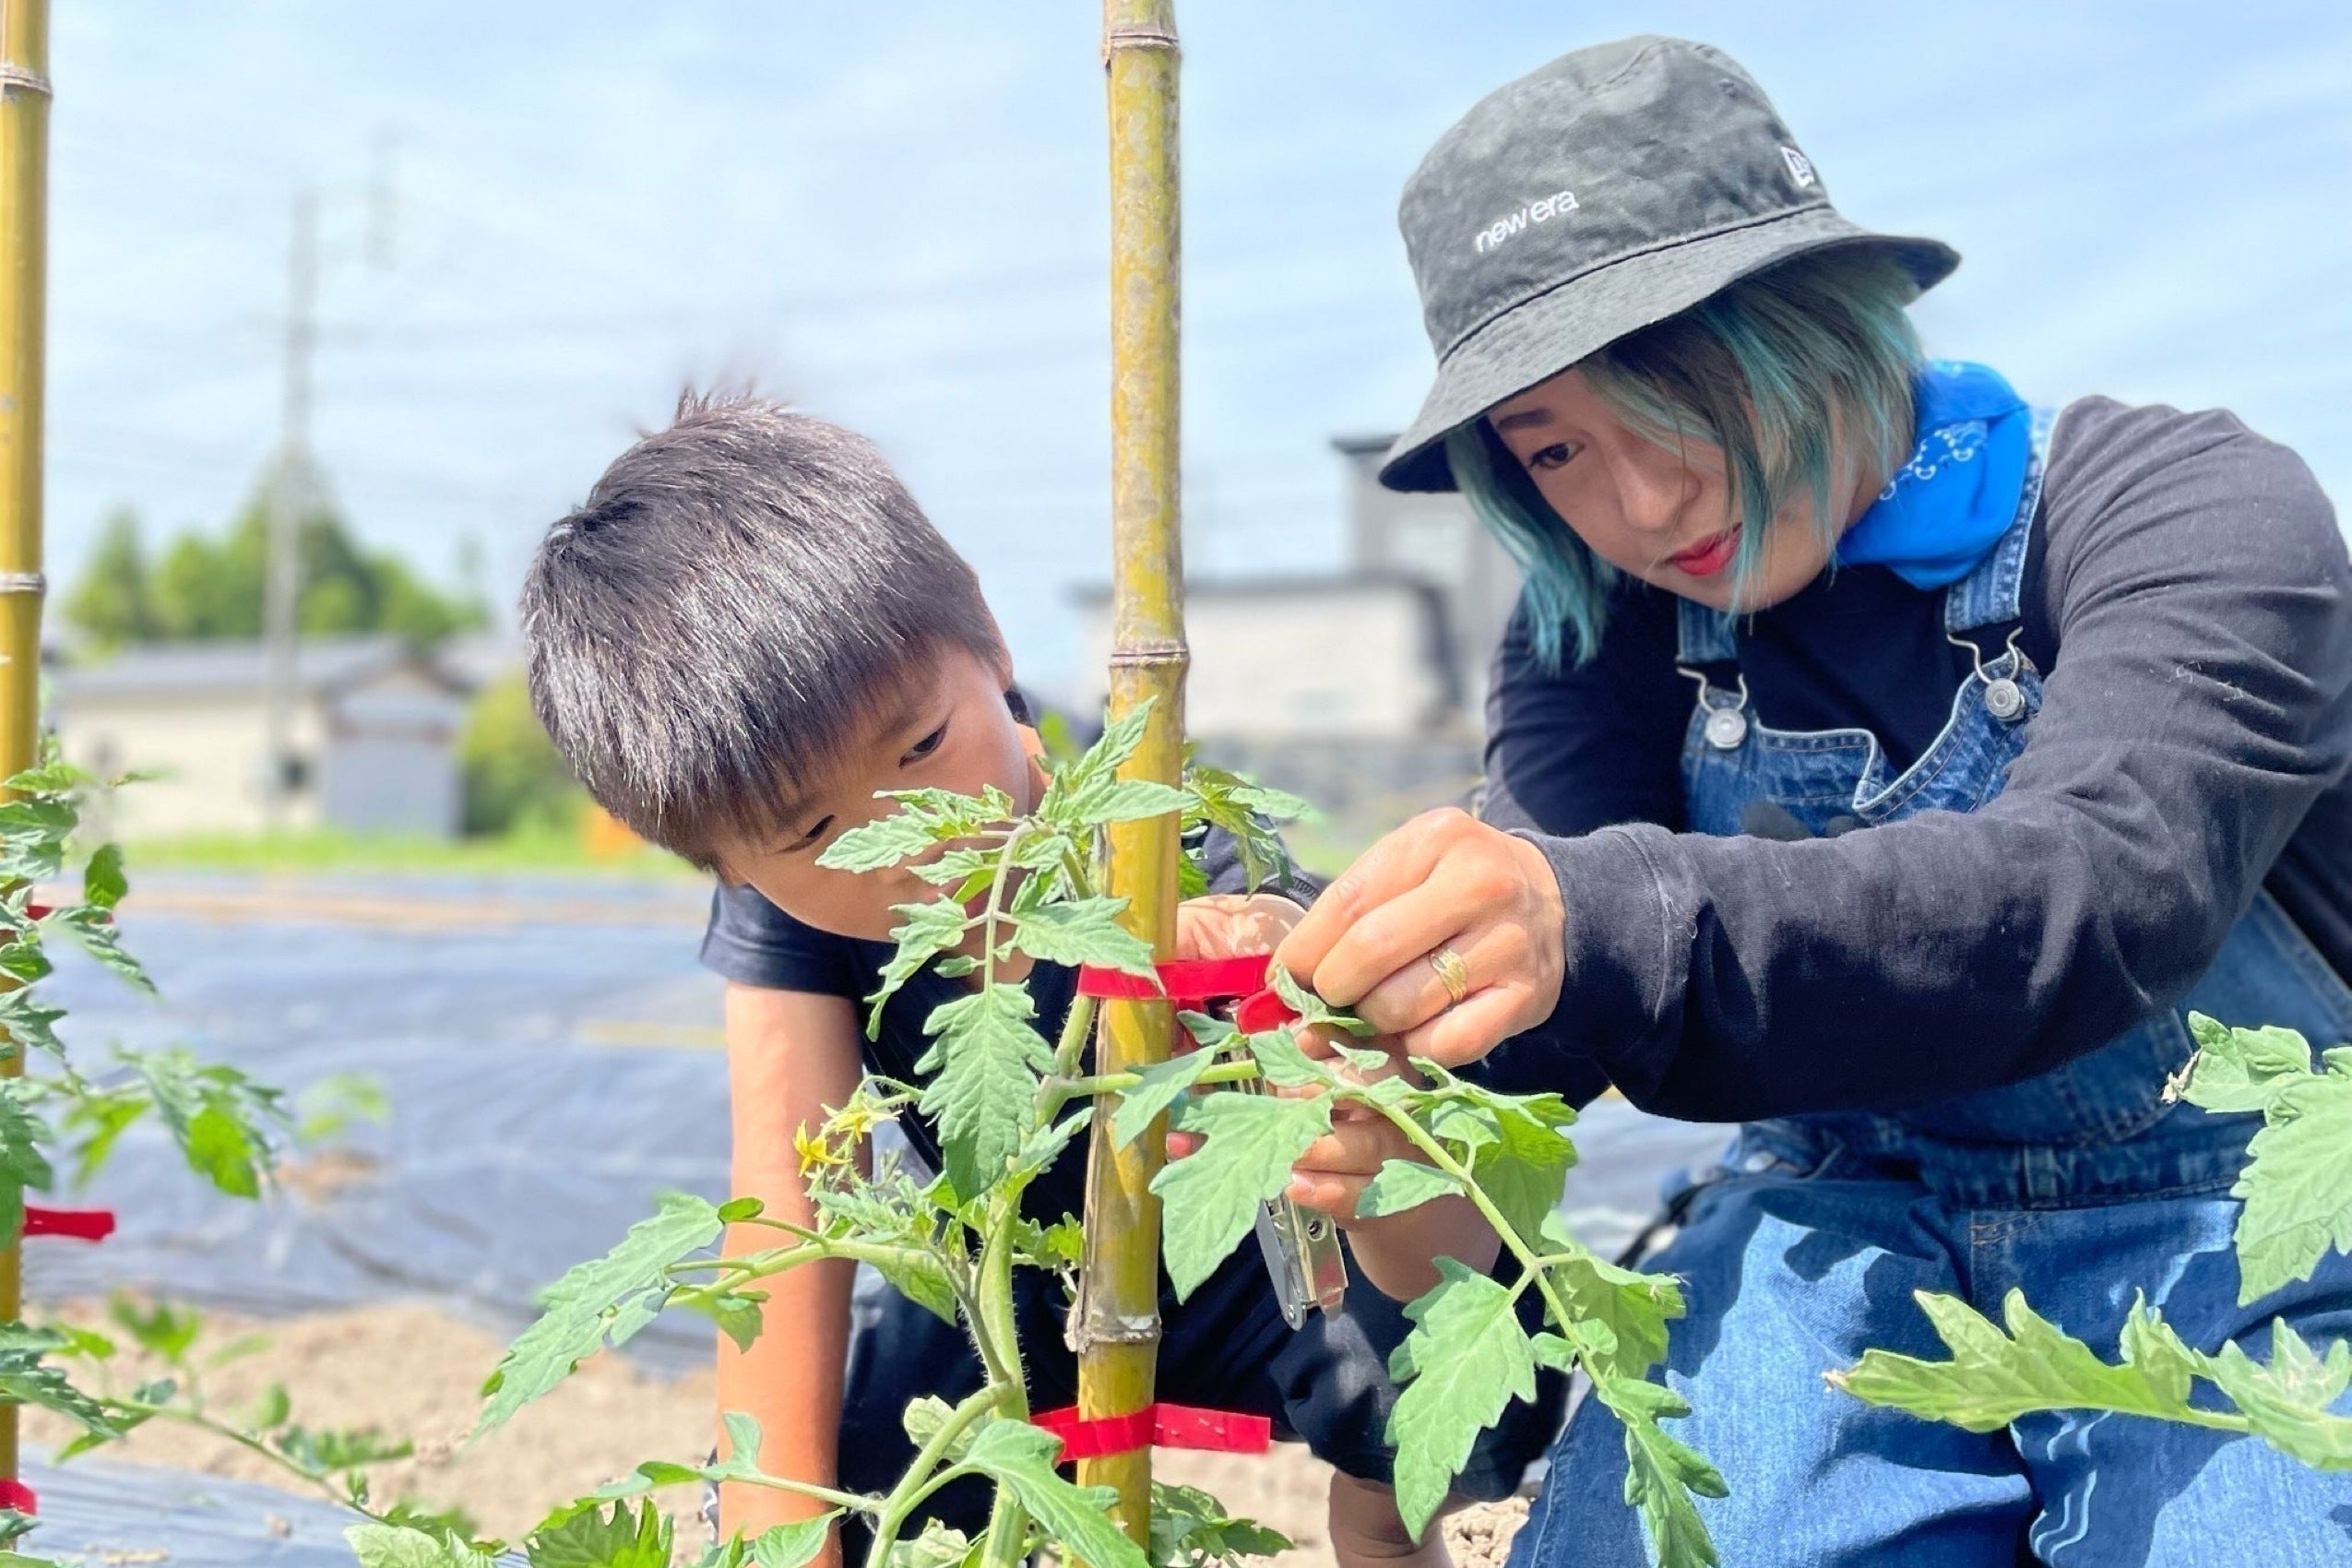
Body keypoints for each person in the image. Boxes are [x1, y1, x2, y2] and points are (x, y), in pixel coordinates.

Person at [1269, 36, 2352, 1567]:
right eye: (1560, 449)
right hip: (1840, 1202)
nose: (1644, 506)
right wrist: (1372, 1045)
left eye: (1676, 395)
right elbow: (1515, 1059)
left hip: (2240, 1209)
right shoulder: (1602, 642)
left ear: (1821, 315)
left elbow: (2103, 884)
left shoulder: (2180, 509)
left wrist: (1605, 923)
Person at [518, 395, 1553, 1567]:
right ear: (718, 856)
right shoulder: (784, 922)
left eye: (921, 747)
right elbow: (787, 1195)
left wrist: (1256, 973)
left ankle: (1384, 1527)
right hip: (1022, 1270)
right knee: (876, 1459)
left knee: (1432, 1399)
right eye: (811, 830)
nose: (920, 838)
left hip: (1271, 1253)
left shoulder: (1147, 830)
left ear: (994, 653)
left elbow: (1361, 1058)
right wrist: (781, 1522)